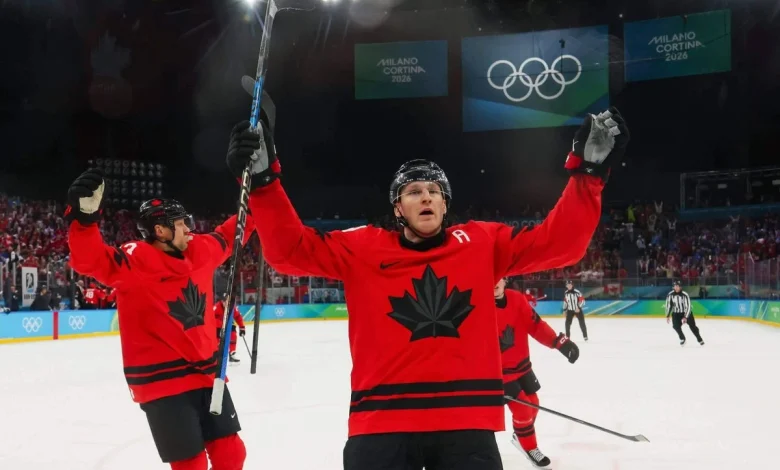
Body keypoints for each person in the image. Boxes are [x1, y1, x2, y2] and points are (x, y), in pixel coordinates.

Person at [226, 102, 629, 469]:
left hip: (465, 423)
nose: (427, 197)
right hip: (380, 425)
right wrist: (263, 182)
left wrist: (588, 175)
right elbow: (289, 251)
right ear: (397, 207)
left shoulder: (481, 243)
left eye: (435, 191)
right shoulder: (361, 247)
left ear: (445, 204)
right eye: (414, 191)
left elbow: (560, 245)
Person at [65, 186, 255, 470]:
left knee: (231, 454)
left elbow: (231, 234)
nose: (188, 229)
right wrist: (84, 220)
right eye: (180, 224)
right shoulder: (134, 259)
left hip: (206, 374)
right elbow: (91, 261)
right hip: (162, 384)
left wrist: (256, 195)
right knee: (191, 465)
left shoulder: (200, 249)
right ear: (161, 231)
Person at [495, 278, 579, 469]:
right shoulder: (480, 305)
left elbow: (535, 326)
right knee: (522, 409)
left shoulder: (517, 300)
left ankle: (521, 435)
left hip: (522, 366)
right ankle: (530, 447)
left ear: (505, 279)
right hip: (499, 373)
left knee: (534, 403)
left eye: (497, 278)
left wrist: (560, 343)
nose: (493, 283)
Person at [665, 280, 704, 346]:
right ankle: (682, 338)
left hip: (686, 312)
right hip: (676, 313)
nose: (676, 287)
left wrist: (685, 316)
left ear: (680, 287)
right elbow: (669, 305)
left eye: (677, 286)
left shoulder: (685, 295)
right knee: (675, 326)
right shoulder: (670, 294)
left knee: (693, 327)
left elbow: (688, 306)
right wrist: (667, 315)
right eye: (675, 286)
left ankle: (699, 339)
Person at [214, 292, 246, 363]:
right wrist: (220, 324)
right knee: (217, 338)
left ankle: (232, 353)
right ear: (221, 301)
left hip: (227, 324)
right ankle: (216, 354)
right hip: (217, 326)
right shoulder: (216, 307)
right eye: (224, 301)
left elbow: (238, 317)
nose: (226, 303)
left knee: (233, 332)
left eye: (228, 301)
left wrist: (242, 328)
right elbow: (210, 318)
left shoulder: (232, 308)